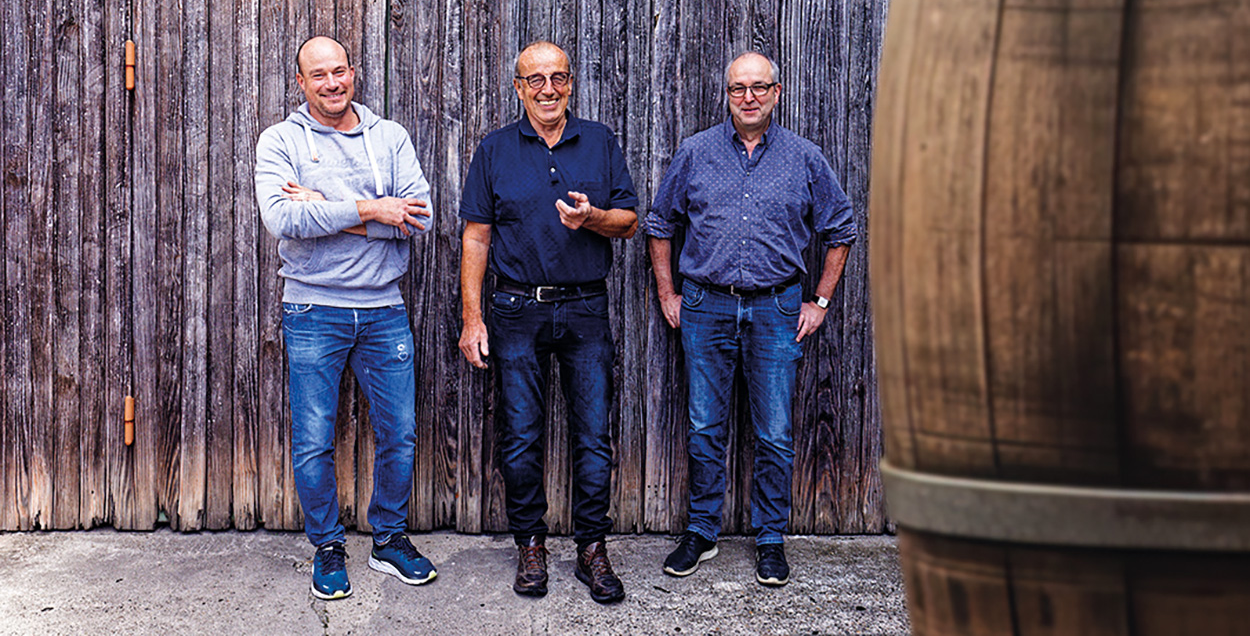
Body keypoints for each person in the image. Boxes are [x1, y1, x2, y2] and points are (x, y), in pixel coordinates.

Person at [643, 52, 856, 587]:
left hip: (776, 309)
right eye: (739, 88)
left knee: (775, 431)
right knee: (704, 426)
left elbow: (841, 229)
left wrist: (820, 301)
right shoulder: (695, 152)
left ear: (777, 93)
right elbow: (659, 224)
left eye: (759, 87)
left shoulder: (805, 158)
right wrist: (668, 293)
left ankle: (769, 538)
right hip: (705, 306)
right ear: (727, 95)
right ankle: (701, 531)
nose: (749, 97)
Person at [255, 35, 437, 600]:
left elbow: (420, 217)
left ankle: (389, 539)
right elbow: (282, 219)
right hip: (313, 308)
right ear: (301, 82)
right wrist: (373, 210)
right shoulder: (281, 140)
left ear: (353, 73)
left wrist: (326, 208)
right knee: (314, 438)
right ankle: (328, 546)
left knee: (399, 433)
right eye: (319, 75)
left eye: (339, 71)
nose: (332, 83)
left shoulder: (390, 138)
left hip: (384, 309)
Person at [458, 41, 637, 604]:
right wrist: (471, 318)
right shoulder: (495, 149)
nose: (547, 89)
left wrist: (593, 217)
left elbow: (629, 221)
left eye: (557, 77)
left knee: (593, 436)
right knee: (520, 436)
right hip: (516, 310)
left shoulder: (600, 141)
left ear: (571, 83)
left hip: (585, 308)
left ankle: (592, 548)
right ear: (518, 88)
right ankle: (530, 544)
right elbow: (476, 237)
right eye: (534, 79)